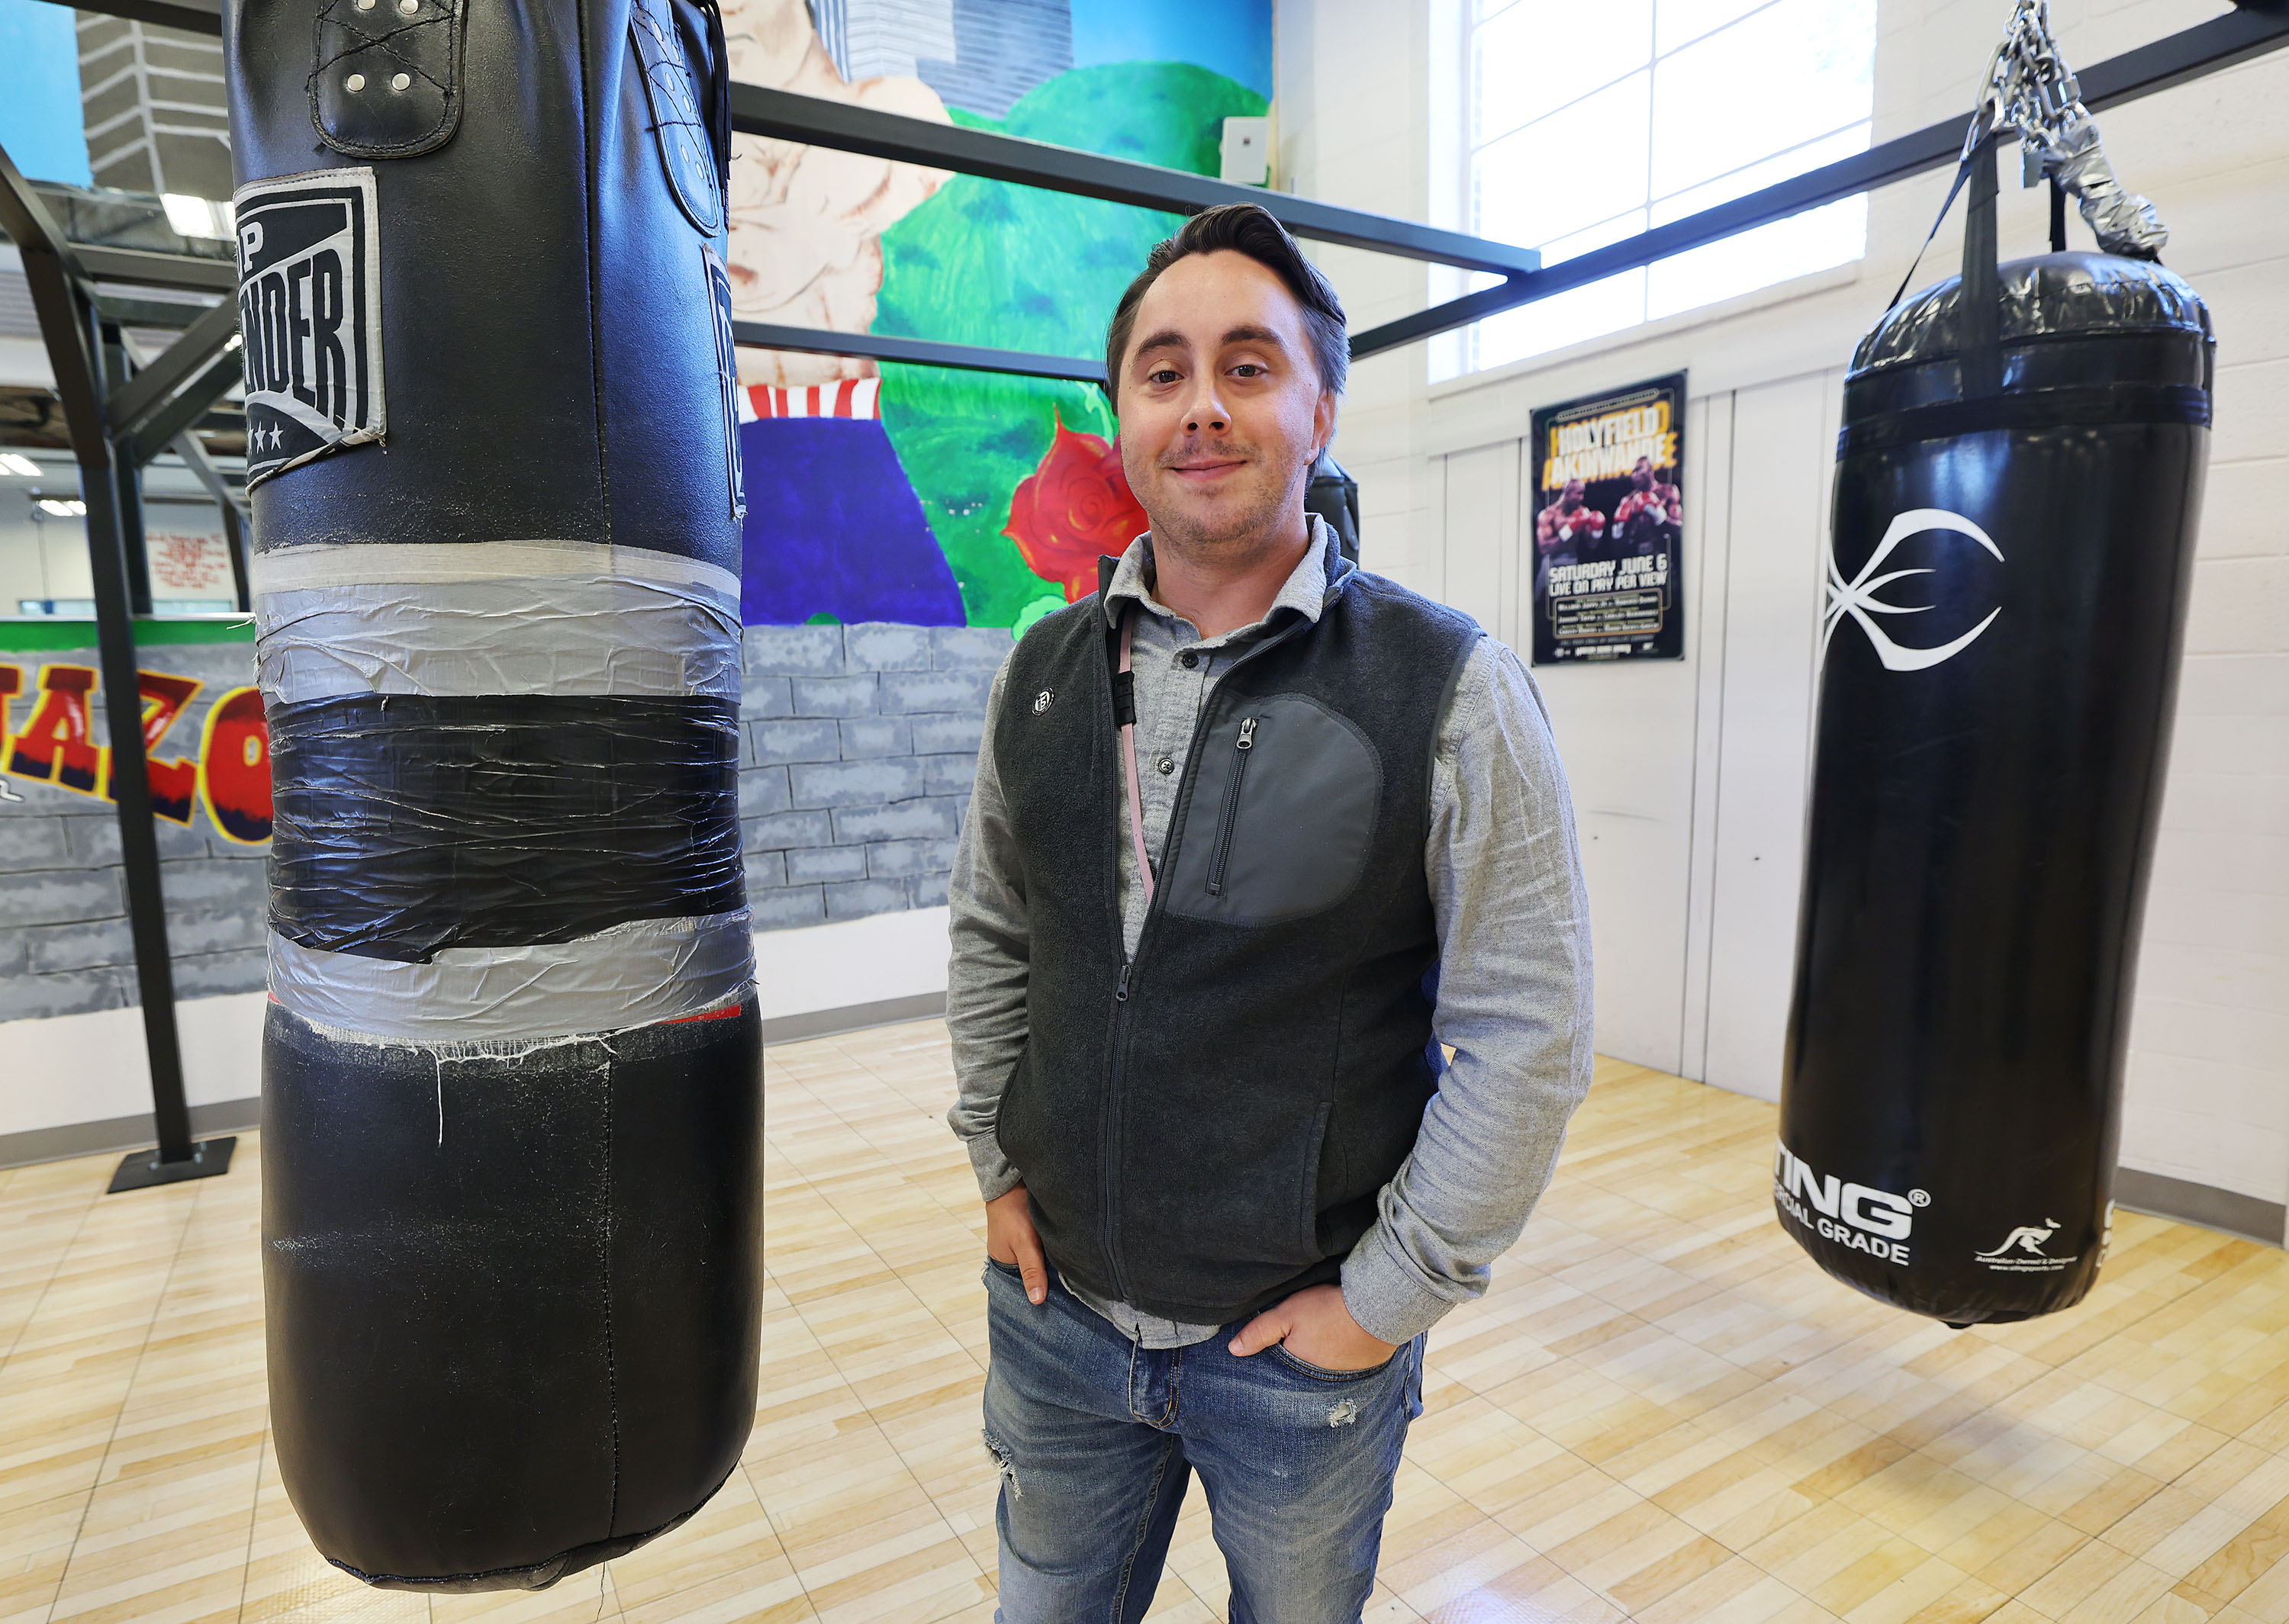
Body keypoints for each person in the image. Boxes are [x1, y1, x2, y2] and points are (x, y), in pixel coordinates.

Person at [945, 201, 1594, 1624]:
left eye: (1249, 365)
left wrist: (1385, 1301)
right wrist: (997, 1162)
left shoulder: (1447, 687)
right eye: (1164, 370)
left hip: (1296, 1359)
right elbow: (998, 934)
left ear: (1322, 404)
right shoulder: (1039, 672)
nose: (1201, 407)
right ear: (1122, 412)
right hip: (1058, 1325)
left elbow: (1527, 1032)